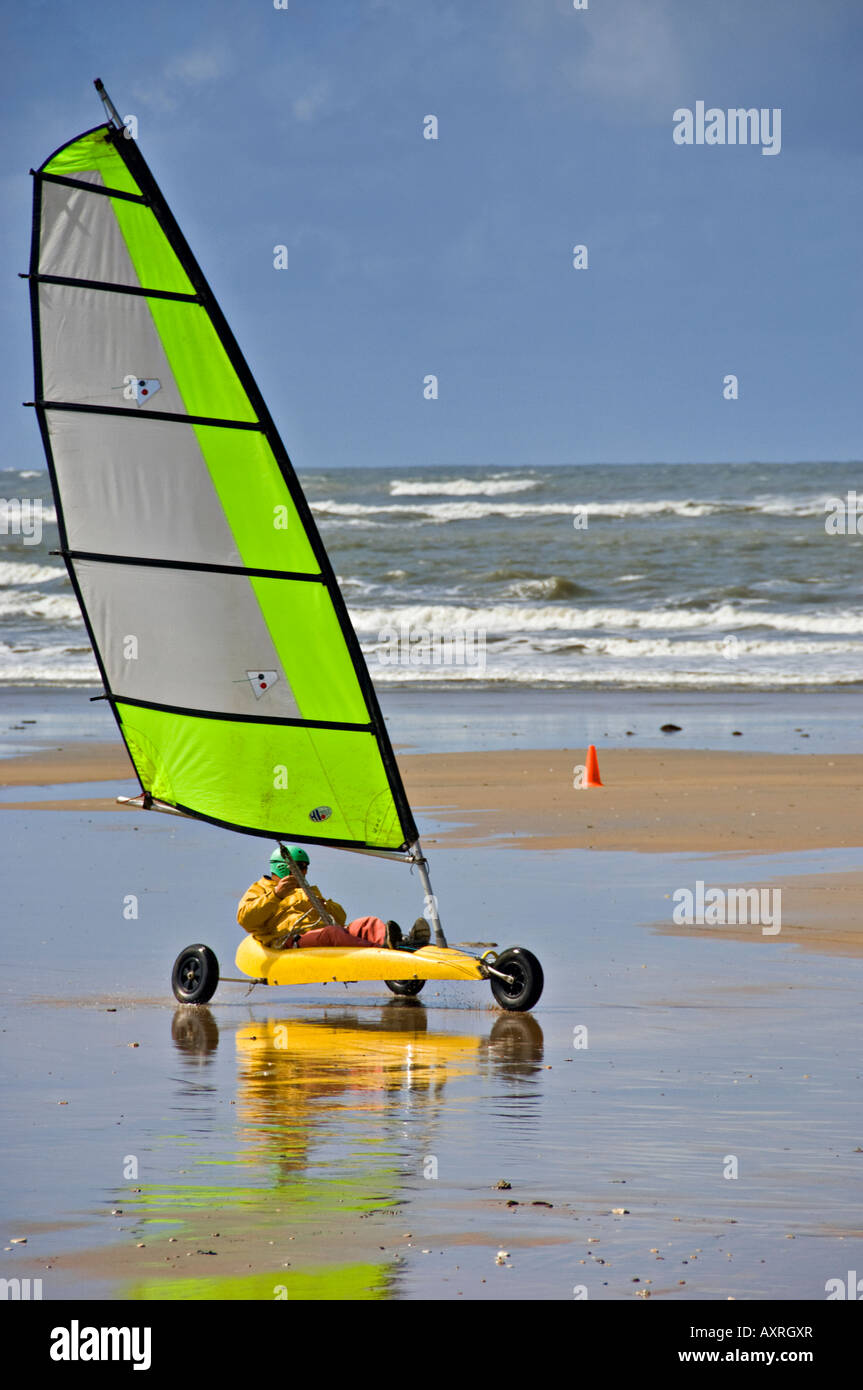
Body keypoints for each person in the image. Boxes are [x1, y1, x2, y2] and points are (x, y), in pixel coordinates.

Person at [237, 846, 431, 952]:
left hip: (323, 932)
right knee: (332, 933)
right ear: (283, 866)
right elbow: (246, 920)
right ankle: (384, 950)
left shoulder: (307, 889)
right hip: (289, 941)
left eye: (306, 867)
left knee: (367, 923)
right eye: (300, 866)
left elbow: (339, 918)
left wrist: (325, 905)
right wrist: (276, 895)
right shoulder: (260, 889)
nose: (304, 871)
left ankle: (402, 941)